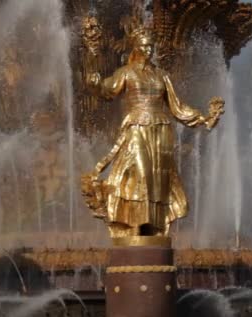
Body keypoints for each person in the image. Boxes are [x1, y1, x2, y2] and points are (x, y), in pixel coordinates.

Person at [82, 27, 224, 238]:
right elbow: (106, 90)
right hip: (137, 128)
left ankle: (154, 226)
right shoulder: (126, 73)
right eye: (144, 45)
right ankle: (134, 224)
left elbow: (177, 106)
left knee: (159, 178)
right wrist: (93, 76)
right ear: (136, 46)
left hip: (161, 130)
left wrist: (202, 119)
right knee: (142, 173)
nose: (148, 50)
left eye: (151, 46)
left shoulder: (162, 75)